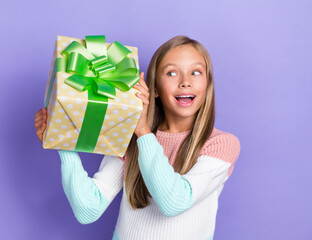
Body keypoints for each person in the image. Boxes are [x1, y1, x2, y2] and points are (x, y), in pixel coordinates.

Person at [34, 35, 241, 240]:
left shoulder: (221, 144)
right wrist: (62, 139)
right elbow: (88, 209)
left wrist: (143, 132)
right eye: (171, 73)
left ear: (207, 84)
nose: (185, 82)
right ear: (155, 89)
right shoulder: (131, 140)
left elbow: (174, 202)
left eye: (196, 72)